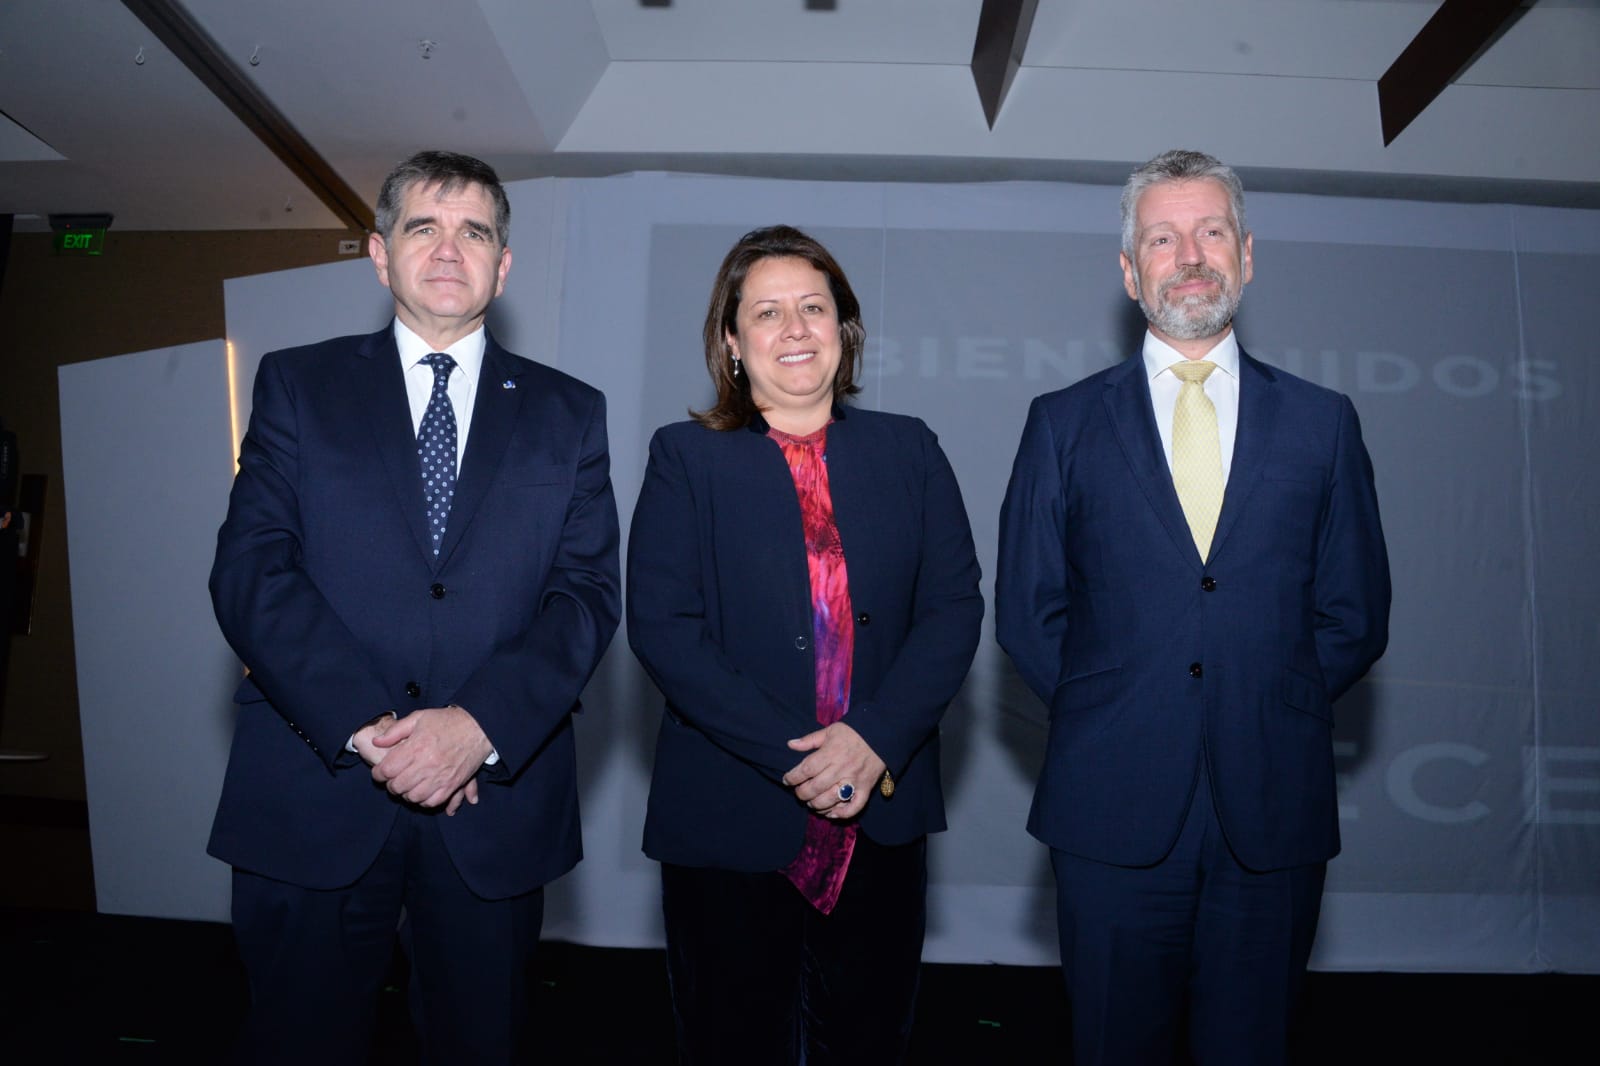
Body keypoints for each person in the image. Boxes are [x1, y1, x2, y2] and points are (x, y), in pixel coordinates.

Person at [208, 150, 621, 1065]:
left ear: (503, 264)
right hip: (314, 792)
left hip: (493, 811)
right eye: (422, 227)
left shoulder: (569, 412)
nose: (448, 248)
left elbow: (586, 597)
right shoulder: (295, 384)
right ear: (378, 253)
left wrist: (476, 726)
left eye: (474, 230)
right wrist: (373, 727)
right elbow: (251, 571)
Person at [996, 149, 1391, 1065]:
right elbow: (1029, 610)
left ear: (1247, 255)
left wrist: (1263, 699)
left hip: (1274, 804)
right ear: (1131, 273)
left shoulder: (1324, 422)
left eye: (1211, 231)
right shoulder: (1061, 423)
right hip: (1109, 806)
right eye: (1163, 238)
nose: (1191, 255)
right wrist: (1119, 714)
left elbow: (1354, 611)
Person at [627, 225, 983, 1064]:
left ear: (845, 330)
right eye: (767, 312)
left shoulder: (911, 449)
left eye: (814, 308)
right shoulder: (685, 458)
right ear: (732, 342)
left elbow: (954, 609)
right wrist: (801, 759)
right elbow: (664, 629)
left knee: (867, 1042)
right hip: (730, 818)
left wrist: (872, 741)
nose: (794, 328)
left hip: (879, 817)